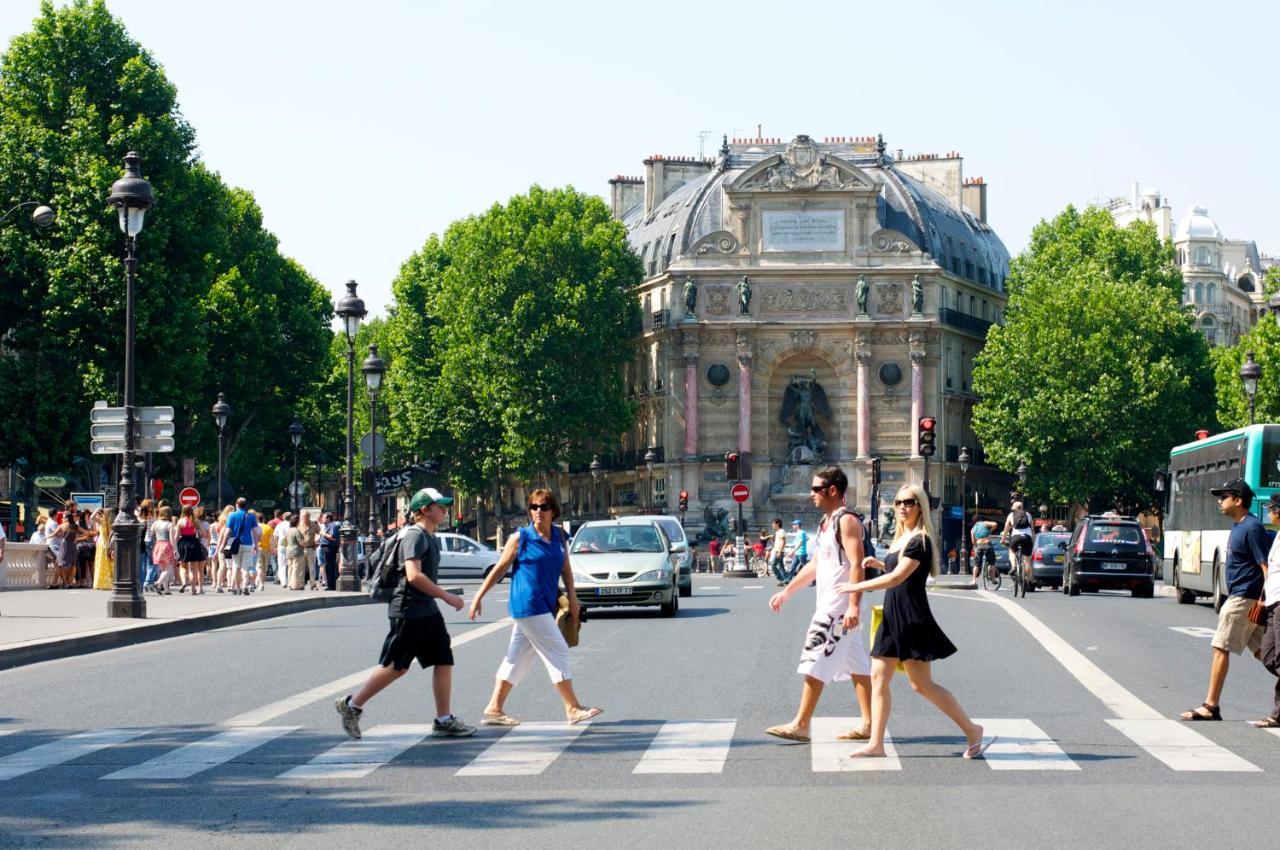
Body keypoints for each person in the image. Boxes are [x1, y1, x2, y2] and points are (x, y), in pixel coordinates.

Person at [839, 482, 996, 759]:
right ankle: (876, 744)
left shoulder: (920, 539)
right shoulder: (902, 537)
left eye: (909, 502)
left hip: (912, 617)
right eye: (899, 502)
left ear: (920, 506)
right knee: (878, 678)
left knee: (922, 685)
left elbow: (898, 578)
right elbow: (895, 569)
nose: (902, 507)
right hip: (891, 614)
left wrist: (855, 587)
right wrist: (879, 564)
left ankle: (972, 730)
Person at [334, 487, 475, 740]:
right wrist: (446, 595)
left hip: (425, 610)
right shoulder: (415, 536)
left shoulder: (427, 536)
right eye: (440, 506)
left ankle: (443, 719)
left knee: (443, 658)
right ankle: (352, 705)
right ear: (424, 510)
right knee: (396, 666)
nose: (445, 510)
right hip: (409, 609)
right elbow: (413, 575)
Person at [468, 488, 601, 726]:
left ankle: (495, 707)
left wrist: (574, 601)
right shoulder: (521, 538)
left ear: (553, 511)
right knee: (558, 650)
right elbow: (499, 568)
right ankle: (572, 708)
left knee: (517, 658)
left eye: (544, 507)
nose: (538, 512)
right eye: (534, 507)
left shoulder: (560, 536)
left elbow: (567, 571)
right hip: (528, 604)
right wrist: (479, 596)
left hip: (545, 604)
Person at [766, 466, 873, 743]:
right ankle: (869, 724)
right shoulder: (827, 524)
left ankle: (801, 724)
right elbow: (815, 565)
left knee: (815, 658)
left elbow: (857, 565)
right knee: (858, 664)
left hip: (837, 608)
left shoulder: (846, 521)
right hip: (831, 604)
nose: (811, 494)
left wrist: (853, 606)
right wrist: (787, 592)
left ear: (832, 490)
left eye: (816, 489)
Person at [1180, 478, 1268, 721]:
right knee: (1267, 653)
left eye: (1224, 496)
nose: (1220, 501)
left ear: (1238, 500)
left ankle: (1210, 706)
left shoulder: (1251, 527)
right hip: (1244, 597)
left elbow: (1265, 567)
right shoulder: (1240, 526)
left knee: (1220, 647)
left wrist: (1263, 600)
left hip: (1243, 599)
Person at [1254, 493, 1280, 729]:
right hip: (1272, 602)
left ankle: (1278, 713)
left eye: (1272, 509)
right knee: (1269, 657)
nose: (1269, 512)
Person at [216, 497, 261, 597]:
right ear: (246, 505)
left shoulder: (232, 515)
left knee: (236, 566)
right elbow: (255, 532)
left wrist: (223, 545)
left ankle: (236, 587)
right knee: (246, 567)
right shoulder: (251, 517)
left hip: (235, 543)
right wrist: (256, 545)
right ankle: (244, 585)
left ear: (237, 505)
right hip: (248, 543)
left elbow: (227, 531)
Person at [1000, 500, 1036, 578]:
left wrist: (1003, 539)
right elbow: (1032, 529)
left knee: (1012, 550)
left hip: (1016, 537)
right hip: (1027, 537)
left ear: (1014, 508)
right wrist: (1033, 541)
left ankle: (1014, 567)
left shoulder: (1011, 515)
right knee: (1027, 561)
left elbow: (1006, 529)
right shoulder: (1028, 515)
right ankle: (1028, 579)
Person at [173, 506, 203, 594]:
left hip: (183, 543)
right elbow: (204, 533)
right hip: (194, 543)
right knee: (193, 569)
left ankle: (184, 582)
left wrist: (175, 548)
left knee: (182, 566)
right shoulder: (196, 521)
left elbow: (176, 537)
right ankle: (193, 589)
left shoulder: (180, 521)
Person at [150, 507, 177, 594]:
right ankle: (158, 582)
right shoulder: (170, 524)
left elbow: (151, 533)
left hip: (158, 545)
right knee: (169, 568)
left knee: (162, 568)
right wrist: (176, 550)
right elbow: (172, 539)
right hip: (167, 546)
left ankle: (166, 589)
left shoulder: (155, 523)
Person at [970, 517, 998, 586]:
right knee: (992, 563)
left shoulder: (973, 529)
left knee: (976, 564)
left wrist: (976, 546)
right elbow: (995, 524)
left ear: (974, 522)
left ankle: (973, 580)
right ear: (980, 520)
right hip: (988, 544)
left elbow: (973, 542)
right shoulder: (984, 523)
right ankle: (993, 578)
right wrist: (990, 530)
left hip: (979, 545)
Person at [92, 508, 116, 590]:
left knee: (101, 564)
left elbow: (92, 517)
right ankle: (110, 582)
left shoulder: (103, 521)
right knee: (110, 563)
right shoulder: (112, 522)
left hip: (102, 544)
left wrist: (97, 509)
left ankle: (102, 583)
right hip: (108, 543)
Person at [321, 512, 341, 589]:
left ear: (328, 518)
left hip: (329, 547)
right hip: (325, 547)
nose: (322, 519)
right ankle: (330, 584)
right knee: (327, 566)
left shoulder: (332, 526)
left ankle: (331, 585)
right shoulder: (326, 526)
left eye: (324, 517)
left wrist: (323, 534)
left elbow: (333, 537)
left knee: (330, 567)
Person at [769, 518, 788, 585]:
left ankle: (781, 579)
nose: (772, 525)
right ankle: (786, 579)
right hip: (777, 551)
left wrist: (779, 552)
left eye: (773, 523)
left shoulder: (781, 531)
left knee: (773, 565)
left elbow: (783, 542)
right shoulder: (777, 532)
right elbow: (777, 542)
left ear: (778, 524)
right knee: (781, 566)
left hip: (779, 551)